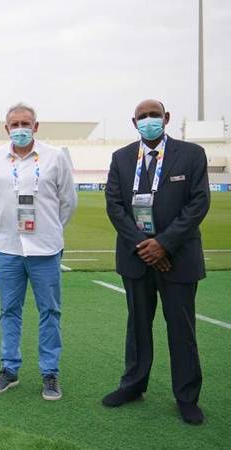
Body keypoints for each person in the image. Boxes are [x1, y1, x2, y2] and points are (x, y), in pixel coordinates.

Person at [102, 99, 210, 425]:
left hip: (178, 257)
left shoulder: (191, 154)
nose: (148, 120)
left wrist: (163, 244)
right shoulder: (121, 158)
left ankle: (187, 397)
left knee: (181, 329)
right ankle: (133, 385)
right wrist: (144, 246)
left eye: (154, 115)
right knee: (137, 326)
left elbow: (199, 203)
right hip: (136, 258)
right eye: (142, 116)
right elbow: (115, 206)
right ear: (133, 122)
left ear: (166, 118)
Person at [0, 103, 76, 401]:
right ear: (6, 128)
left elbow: (68, 201)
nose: (21, 128)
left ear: (36, 127)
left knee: (50, 311)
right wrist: (5, 229)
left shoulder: (55, 156)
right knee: (9, 311)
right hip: (7, 248)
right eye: (15, 124)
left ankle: (50, 372)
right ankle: (9, 368)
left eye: (26, 123)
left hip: (45, 249)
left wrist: (50, 230)